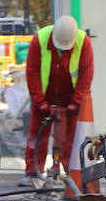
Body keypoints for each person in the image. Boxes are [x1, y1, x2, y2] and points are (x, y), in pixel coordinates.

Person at [23, 14, 93, 185]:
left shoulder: (83, 42)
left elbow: (86, 74)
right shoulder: (40, 39)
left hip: (71, 96)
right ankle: (33, 172)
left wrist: (75, 102)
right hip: (44, 96)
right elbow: (32, 72)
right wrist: (40, 102)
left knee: (72, 138)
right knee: (36, 137)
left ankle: (71, 173)